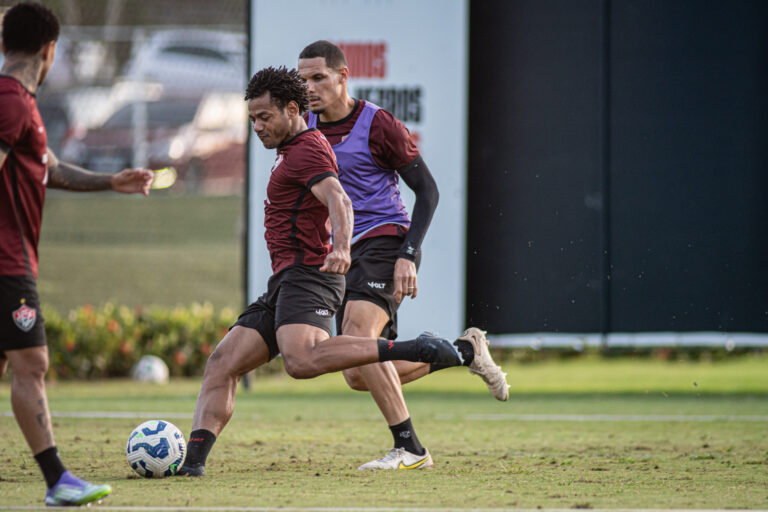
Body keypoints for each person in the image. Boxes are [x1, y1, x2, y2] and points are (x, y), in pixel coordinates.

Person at [177, 66, 502, 476]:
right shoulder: (292, 147)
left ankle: (414, 369)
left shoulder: (308, 148)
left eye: (265, 117)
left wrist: (344, 248)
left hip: (311, 276)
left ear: (292, 110)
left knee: (302, 360)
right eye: (252, 119)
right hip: (285, 280)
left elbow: (340, 200)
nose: (257, 127)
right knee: (223, 362)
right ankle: (191, 466)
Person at [297, 40, 510, 470]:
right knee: (357, 371)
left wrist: (408, 254)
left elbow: (428, 190)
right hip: (344, 252)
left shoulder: (378, 125)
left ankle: (410, 449)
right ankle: (464, 352)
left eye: (318, 78)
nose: (310, 88)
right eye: (303, 80)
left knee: (358, 337)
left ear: (343, 76)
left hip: (385, 240)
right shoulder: (304, 126)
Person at [0, 2, 153, 506]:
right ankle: (58, 480)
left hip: (12, 259)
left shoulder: (18, 102)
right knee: (32, 362)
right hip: (5, 263)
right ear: (51, 50)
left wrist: (111, 180)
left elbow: (49, 168)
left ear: (6, 44)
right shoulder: (11, 101)